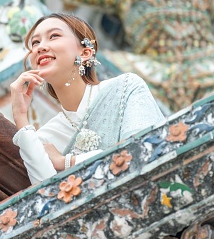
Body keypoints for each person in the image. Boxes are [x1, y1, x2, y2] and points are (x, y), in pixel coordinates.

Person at [10, 13, 165, 184]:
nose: (40, 47)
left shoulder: (126, 89)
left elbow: (141, 152)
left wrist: (66, 162)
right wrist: (20, 118)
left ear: (85, 53)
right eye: (35, 42)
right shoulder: (44, 139)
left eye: (54, 36)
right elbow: (46, 196)